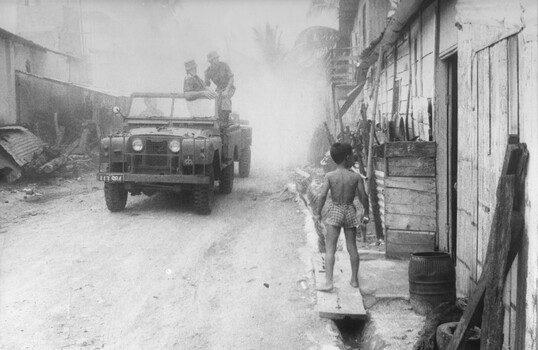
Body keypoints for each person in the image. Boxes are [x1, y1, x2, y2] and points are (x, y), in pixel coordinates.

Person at [314, 143, 370, 292]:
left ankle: (329, 282)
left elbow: (322, 196)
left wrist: (317, 213)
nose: (353, 158)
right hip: (350, 210)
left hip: (336, 210)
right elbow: (364, 197)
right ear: (347, 157)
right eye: (351, 155)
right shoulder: (356, 177)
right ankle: (354, 280)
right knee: (352, 247)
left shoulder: (330, 176)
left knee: (330, 248)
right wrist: (366, 214)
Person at [204, 51, 235, 125]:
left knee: (225, 99)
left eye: (217, 58)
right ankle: (219, 122)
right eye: (215, 59)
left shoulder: (224, 65)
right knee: (216, 105)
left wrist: (227, 90)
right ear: (210, 61)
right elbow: (206, 85)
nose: (217, 60)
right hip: (219, 89)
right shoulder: (208, 72)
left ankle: (225, 123)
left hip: (229, 87)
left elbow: (231, 78)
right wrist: (210, 92)